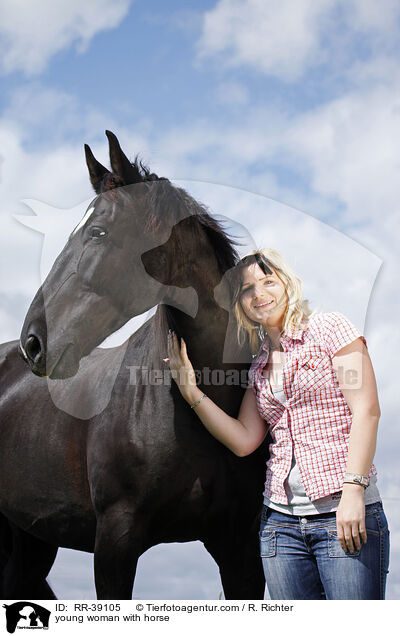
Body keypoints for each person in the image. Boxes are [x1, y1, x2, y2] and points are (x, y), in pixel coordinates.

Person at [163, 248, 389, 600]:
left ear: (288, 284)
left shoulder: (331, 329)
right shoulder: (259, 367)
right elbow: (243, 440)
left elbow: (367, 411)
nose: (259, 294)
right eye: (247, 289)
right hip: (280, 526)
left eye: (268, 281)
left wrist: (353, 493)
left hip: (340, 512)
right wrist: (191, 391)